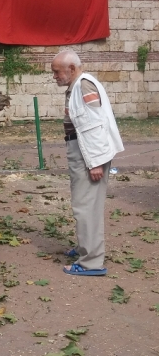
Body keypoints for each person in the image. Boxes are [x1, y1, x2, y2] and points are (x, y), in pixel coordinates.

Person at [50, 49, 124, 276]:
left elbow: (94, 127)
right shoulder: (81, 84)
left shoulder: (83, 86)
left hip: (87, 154)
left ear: (71, 69)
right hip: (85, 152)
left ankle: (91, 262)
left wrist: (94, 163)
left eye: (57, 72)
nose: (54, 76)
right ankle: (87, 248)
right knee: (86, 205)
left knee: (85, 207)